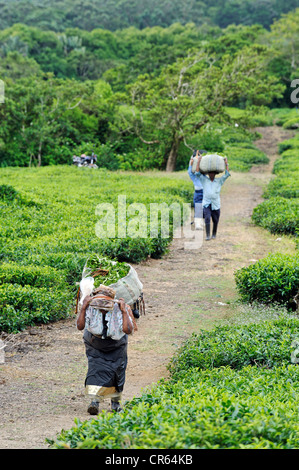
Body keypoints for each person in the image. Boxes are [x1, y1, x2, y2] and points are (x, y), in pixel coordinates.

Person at [76, 285, 137, 415]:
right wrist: (83, 307)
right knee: (95, 371)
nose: (103, 309)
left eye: (106, 305)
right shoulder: (90, 307)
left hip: (116, 345)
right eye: (100, 305)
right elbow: (80, 326)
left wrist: (124, 311)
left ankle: (115, 403)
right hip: (95, 344)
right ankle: (94, 402)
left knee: (117, 373)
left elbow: (128, 330)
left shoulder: (120, 309)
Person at [192, 153, 230, 240]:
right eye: (210, 173)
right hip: (206, 203)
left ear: (215, 174)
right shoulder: (204, 180)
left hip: (216, 204)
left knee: (215, 220)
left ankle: (214, 234)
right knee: (207, 218)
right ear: (208, 174)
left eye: (213, 173)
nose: (211, 175)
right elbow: (197, 173)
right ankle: (208, 235)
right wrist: (198, 162)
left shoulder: (219, 181)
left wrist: (226, 163)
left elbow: (227, 175)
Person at [187, 149, 207, 229]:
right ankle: (198, 224)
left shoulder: (204, 174)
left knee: (205, 207)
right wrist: (191, 164)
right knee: (198, 207)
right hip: (199, 192)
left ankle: (201, 221)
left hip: (206, 192)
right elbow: (189, 171)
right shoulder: (193, 174)